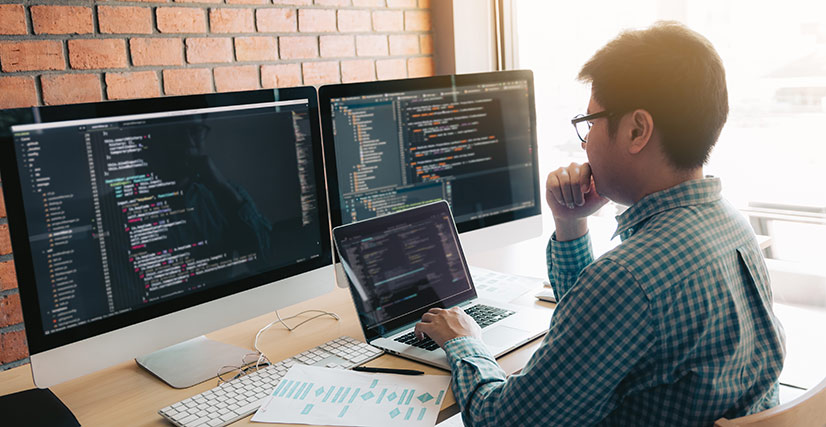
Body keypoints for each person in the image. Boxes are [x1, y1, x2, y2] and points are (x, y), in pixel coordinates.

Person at [414, 22, 785, 426]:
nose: (586, 142)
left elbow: (501, 421)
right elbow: (599, 335)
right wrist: (570, 225)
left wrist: (464, 341)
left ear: (637, 130)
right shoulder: (733, 226)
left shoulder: (628, 279)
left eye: (589, 123)